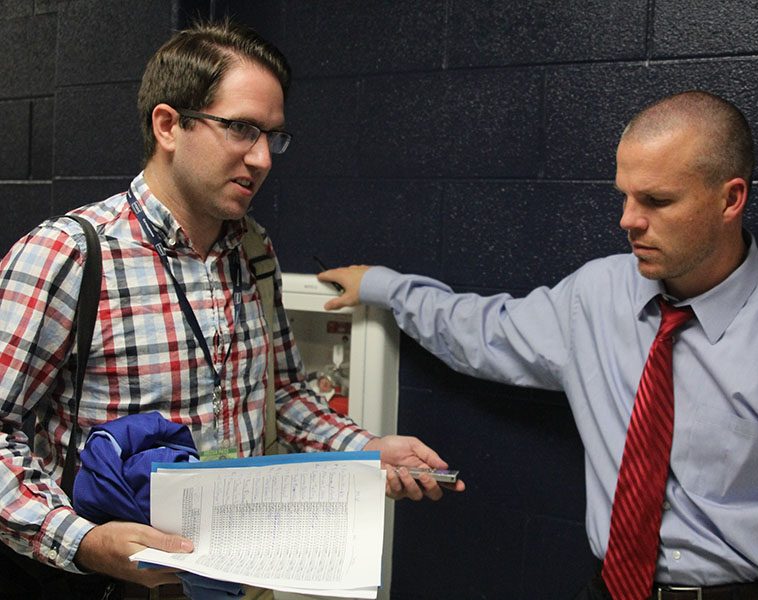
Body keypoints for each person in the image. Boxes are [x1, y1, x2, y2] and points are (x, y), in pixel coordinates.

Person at [320, 91, 758, 599]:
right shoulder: (598, 294)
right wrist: (382, 287)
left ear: (730, 199)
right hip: (610, 587)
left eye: (657, 201)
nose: (628, 220)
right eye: (624, 196)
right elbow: (484, 331)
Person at [0, 19, 462, 599]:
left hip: (239, 577)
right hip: (116, 583)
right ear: (169, 125)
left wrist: (365, 449)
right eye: (242, 129)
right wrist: (82, 542)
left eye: (274, 135)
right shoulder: (67, 255)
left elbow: (282, 393)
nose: (264, 158)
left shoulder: (252, 249)